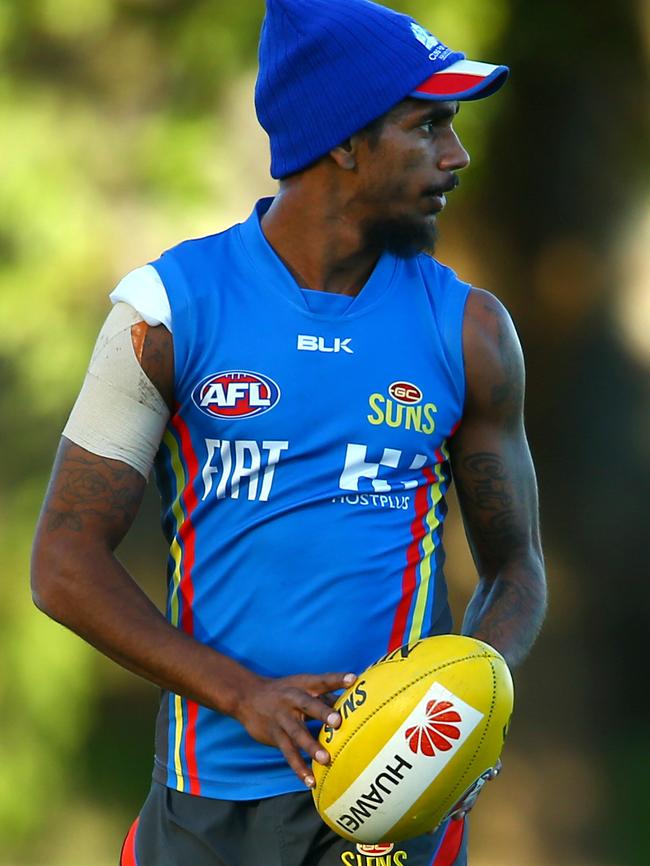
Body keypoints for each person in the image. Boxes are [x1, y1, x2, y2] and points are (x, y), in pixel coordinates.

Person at [31, 0, 547, 864]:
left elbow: (517, 567)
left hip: (394, 812)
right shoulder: (166, 313)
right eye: (428, 128)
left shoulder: (472, 333)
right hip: (205, 808)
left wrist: (463, 706)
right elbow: (63, 562)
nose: (455, 157)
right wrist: (245, 697)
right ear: (344, 142)